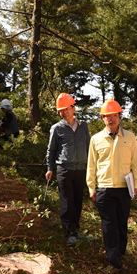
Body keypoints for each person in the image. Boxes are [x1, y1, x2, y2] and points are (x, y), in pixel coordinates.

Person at [86, 98, 137, 270]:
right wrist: (91, 187)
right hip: (104, 188)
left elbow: (136, 163)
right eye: (106, 116)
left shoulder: (130, 138)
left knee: (121, 222)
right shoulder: (96, 139)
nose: (110, 119)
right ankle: (113, 258)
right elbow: (91, 165)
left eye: (113, 115)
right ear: (102, 118)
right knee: (108, 223)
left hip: (125, 188)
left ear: (119, 116)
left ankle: (120, 251)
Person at [45, 93, 91, 246]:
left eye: (65, 109)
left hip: (81, 170)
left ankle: (75, 229)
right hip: (63, 169)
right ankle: (68, 232)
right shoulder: (56, 128)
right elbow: (51, 150)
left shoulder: (84, 126)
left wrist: (91, 167)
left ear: (73, 108)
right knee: (67, 201)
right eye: (60, 110)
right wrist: (50, 168)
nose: (63, 112)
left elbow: (89, 147)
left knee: (78, 201)